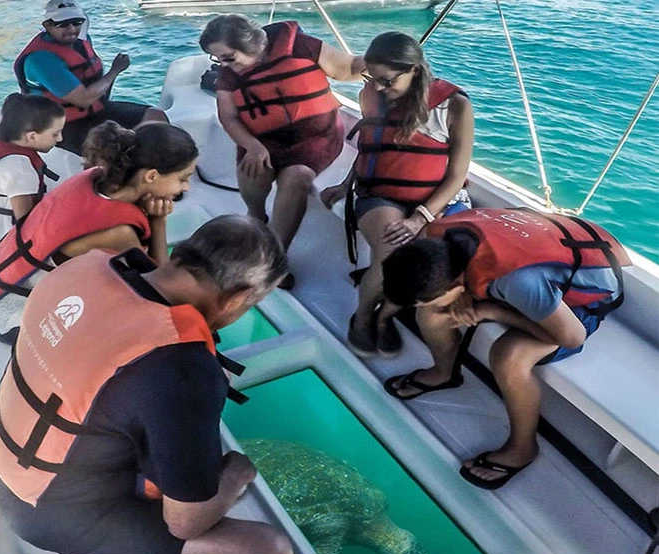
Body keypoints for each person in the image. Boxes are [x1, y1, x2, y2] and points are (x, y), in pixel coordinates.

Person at [0, 216, 325, 554]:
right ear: (236, 298)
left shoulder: (87, 266)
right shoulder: (180, 367)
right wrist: (237, 472)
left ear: (181, 253)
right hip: (46, 515)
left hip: (4, 450)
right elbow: (184, 522)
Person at [380, 208, 631, 489]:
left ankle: (522, 449)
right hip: (542, 260)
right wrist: (465, 294)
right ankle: (443, 373)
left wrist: (492, 312)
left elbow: (572, 337)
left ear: (455, 283)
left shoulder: (518, 281)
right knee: (432, 313)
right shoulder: (437, 234)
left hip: (582, 303)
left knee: (508, 356)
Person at [321, 32, 474, 358]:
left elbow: (457, 176)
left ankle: (384, 316)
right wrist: (344, 184)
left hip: (436, 200)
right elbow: (371, 148)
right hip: (379, 195)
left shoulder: (454, 107)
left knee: (440, 262)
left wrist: (422, 216)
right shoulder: (371, 95)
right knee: (393, 249)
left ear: (414, 71)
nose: (377, 87)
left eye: (387, 81)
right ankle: (361, 318)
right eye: (371, 78)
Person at [0, 121, 196, 344]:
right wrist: (158, 222)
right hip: (10, 319)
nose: (186, 188)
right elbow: (159, 292)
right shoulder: (118, 233)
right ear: (151, 176)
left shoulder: (96, 179)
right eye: (183, 178)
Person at [199, 15, 365, 289]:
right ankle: (256, 214)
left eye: (228, 57)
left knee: (297, 177)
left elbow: (348, 69)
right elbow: (229, 117)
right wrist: (252, 145)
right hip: (263, 138)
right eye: (218, 60)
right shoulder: (230, 74)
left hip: (316, 137)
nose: (224, 66)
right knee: (254, 167)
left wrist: (390, 61)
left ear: (249, 44)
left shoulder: (303, 47)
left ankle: (273, 258)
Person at [14, 0, 168, 155]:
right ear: (47, 25)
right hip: (60, 126)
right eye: (62, 24)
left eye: (77, 22)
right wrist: (115, 70)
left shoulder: (81, 41)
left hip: (94, 112)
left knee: (156, 117)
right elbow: (83, 99)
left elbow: (95, 84)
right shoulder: (41, 59)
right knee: (115, 146)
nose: (71, 29)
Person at [0, 93, 65, 249]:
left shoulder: (5, 145)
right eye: (55, 133)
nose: (59, 138)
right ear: (32, 136)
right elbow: (25, 225)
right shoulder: (16, 167)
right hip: (4, 246)